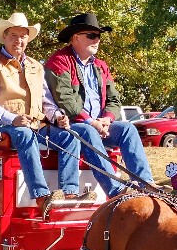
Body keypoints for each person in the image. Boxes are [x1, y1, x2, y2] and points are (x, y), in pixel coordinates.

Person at [0, 13, 84, 214]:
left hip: (34, 125)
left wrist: (57, 115)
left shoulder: (35, 66)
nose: (19, 40)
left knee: (70, 137)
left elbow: (45, 99)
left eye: (23, 36)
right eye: (14, 35)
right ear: (4, 37)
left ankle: (69, 194)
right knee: (24, 133)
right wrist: (12, 119)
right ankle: (41, 196)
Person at [44, 12, 155, 197]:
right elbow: (66, 102)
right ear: (75, 38)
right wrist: (91, 123)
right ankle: (117, 191)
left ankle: (145, 184)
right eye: (92, 35)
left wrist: (107, 119)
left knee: (127, 129)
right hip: (70, 126)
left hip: (99, 125)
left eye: (99, 36)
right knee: (87, 131)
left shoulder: (101, 66)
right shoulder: (59, 62)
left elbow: (114, 100)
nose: (97, 40)